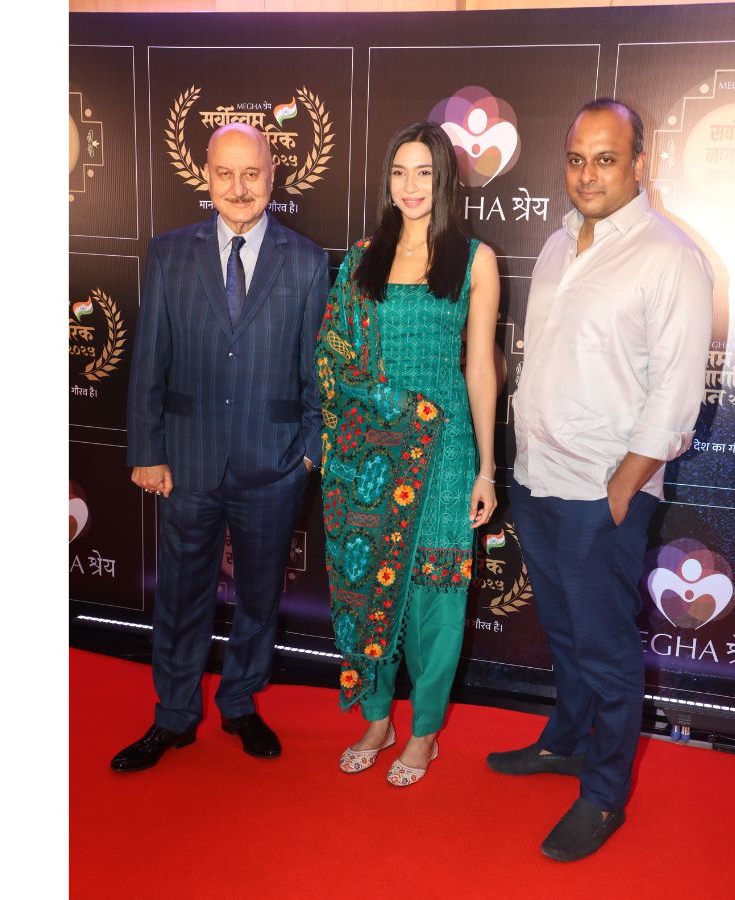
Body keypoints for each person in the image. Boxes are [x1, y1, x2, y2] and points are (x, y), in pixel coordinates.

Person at [486, 99, 713, 860]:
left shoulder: (669, 257)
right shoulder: (558, 243)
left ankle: (605, 794)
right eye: (577, 158)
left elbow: (675, 397)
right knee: (563, 633)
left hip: (600, 496)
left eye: (606, 158)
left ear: (640, 163)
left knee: (608, 651)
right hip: (537, 480)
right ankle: (565, 741)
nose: (588, 174)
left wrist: (621, 490)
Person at [111, 123, 329, 771]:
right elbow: (148, 361)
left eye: (251, 174)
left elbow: (318, 372)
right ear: (206, 176)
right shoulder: (168, 254)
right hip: (187, 461)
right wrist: (147, 450)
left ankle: (239, 703)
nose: (239, 188)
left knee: (260, 597)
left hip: (274, 465)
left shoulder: (306, 260)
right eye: (225, 174)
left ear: (272, 176)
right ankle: (174, 716)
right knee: (181, 596)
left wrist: (309, 454)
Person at [316, 121, 499, 786]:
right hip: (369, 454)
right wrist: (380, 414)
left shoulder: (474, 260)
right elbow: (335, 356)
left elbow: (481, 368)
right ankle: (376, 719)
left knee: (436, 597)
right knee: (370, 582)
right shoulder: (361, 259)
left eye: (424, 172)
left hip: (444, 451)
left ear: (444, 179)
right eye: (399, 172)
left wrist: (486, 467)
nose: (411, 186)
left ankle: (422, 732)